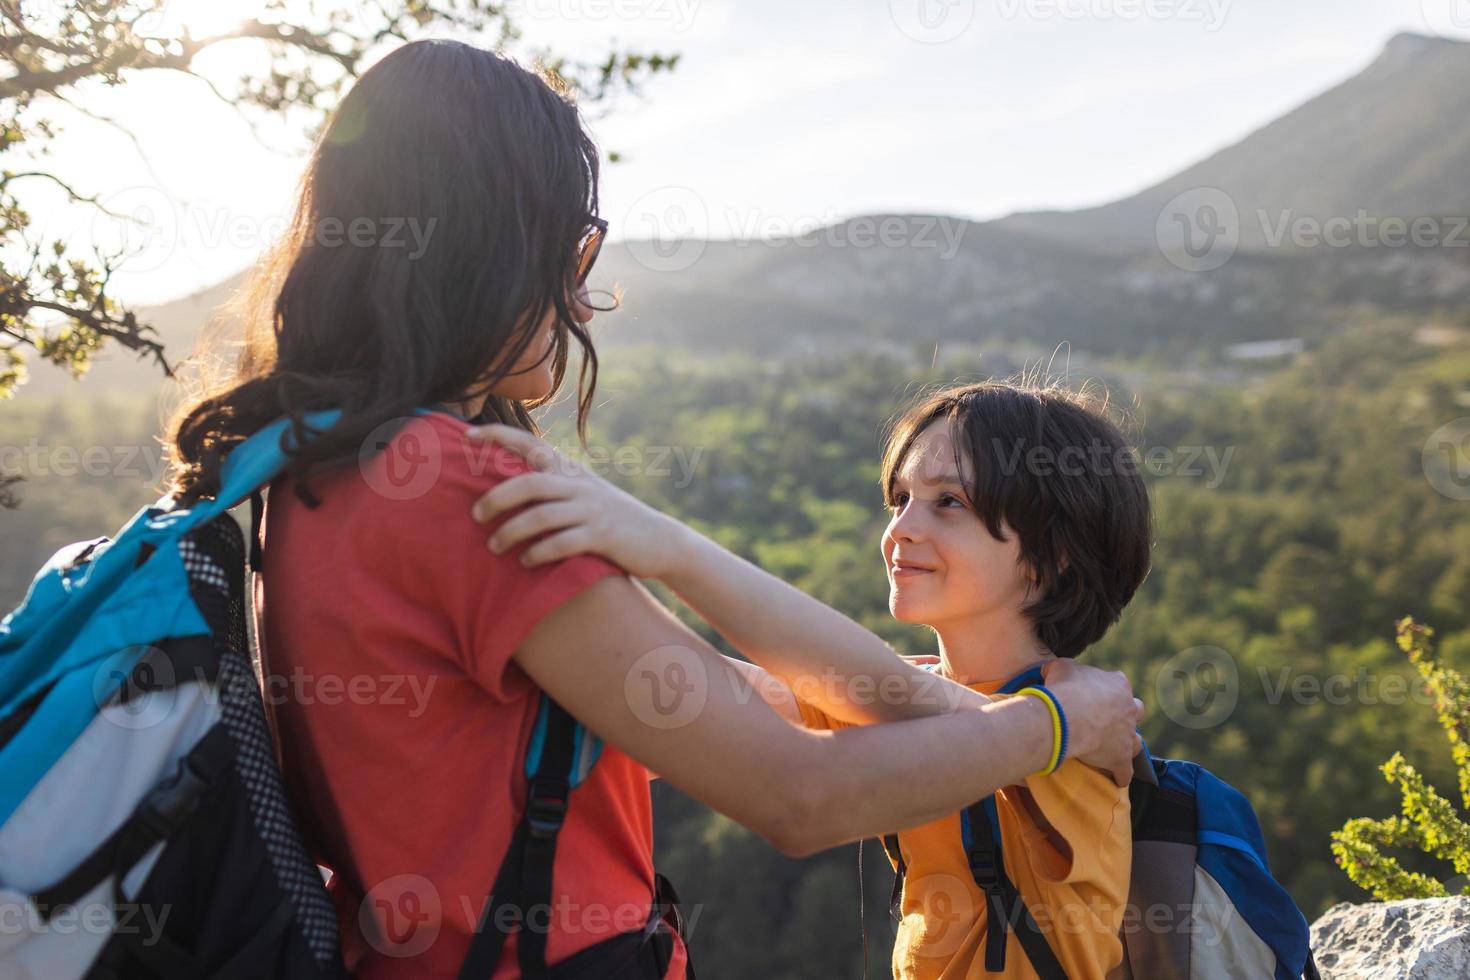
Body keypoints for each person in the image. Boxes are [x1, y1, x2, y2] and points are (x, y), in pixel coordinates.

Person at [163, 38, 1143, 979]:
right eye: (575, 249)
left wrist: (1009, 708)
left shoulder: (307, 471)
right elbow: (797, 792)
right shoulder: (462, 490)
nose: (584, 301)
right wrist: (1054, 724)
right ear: (492, 250)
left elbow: (753, 692)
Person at [467, 377, 1154, 980]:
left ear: (1052, 557)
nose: (900, 530)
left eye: (950, 503)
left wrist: (663, 546)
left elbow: (911, 700)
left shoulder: (1084, 732)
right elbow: (693, 687)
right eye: (899, 498)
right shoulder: (939, 699)